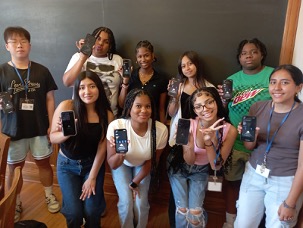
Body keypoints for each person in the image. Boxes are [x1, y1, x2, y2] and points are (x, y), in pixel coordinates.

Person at [0, 26, 60, 222]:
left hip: (38, 128)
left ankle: (49, 195)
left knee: (44, 163)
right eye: (14, 42)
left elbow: (50, 99)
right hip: (12, 130)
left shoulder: (42, 71)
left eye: (23, 41)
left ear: (30, 45)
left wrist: (52, 124)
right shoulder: (1, 71)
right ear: (7, 46)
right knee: (14, 169)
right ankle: (14, 202)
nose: (19, 45)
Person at [234, 64, 303, 227]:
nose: (277, 88)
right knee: (243, 224)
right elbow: (249, 146)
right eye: (273, 82)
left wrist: (290, 203)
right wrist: (251, 137)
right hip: (253, 174)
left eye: (285, 83)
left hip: (286, 180)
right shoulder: (257, 107)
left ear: (298, 87)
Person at [219, 38, 274, 228]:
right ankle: (230, 221)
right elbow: (224, 111)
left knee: (262, 187)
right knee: (232, 184)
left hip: (263, 145)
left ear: (262, 54)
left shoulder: (272, 75)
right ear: (239, 58)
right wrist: (223, 101)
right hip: (236, 144)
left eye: (253, 52)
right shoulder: (232, 79)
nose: (248, 56)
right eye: (244, 53)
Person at [50, 71, 114, 228]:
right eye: (82, 87)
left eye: (92, 86)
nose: (87, 92)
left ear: (99, 88)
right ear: (77, 90)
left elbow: (102, 146)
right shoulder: (66, 106)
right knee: (74, 213)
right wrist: (66, 133)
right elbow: (52, 138)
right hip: (67, 165)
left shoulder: (107, 114)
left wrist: (92, 177)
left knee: (92, 212)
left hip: (91, 165)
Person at [167, 87, 237, 227]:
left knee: (195, 214)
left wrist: (208, 142)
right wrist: (189, 143)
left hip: (202, 171)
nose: (204, 108)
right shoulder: (186, 124)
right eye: (198, 106)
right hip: (179, 168)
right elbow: (189, 160)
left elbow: (215, 165)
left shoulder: (230, 130)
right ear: (194, 110)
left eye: (209, 102)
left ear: (216, 102)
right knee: (182, 210)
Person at [106, 88, 168, 228]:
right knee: (126, 201)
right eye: (138, 106)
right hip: (121, 164)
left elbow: (153, 161)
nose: (144, 110)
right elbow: (113, 164)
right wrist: (121, 154)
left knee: (141, 202)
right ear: (129, 108)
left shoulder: (160, 130)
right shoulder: (117, 126)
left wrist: (135, 182)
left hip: (143, 165)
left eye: (148, 106)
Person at [167, 50, 214, 227]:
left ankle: (194, 221)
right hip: (179, 136)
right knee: (176, 191)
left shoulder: (208, 87)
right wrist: (175, 97)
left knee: (196, 193)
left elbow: (213, 115)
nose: (187, 68)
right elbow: (171, 113)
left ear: (197, 65)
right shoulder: (177, 84)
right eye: (183, 65)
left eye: (190, 64)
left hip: (200, 140)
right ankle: (175, 223)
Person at [63, 26, 125, 118]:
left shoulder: (117, 60)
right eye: (98, 39)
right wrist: (83, 57)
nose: (100, 43)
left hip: (108, 115)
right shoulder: (78, 57)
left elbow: (122, 89)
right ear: (91, 39)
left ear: (110, 45)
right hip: (81, 115)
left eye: (106, 41)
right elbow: (67, 82)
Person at [118, 40, 168, 124]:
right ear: (136, 59)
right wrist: (125, 82)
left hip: (151, 123)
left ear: (152, 56)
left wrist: (164, 129)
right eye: (140, 56)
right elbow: (122, 105)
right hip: (130, 122)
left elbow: (161, 109)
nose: (143, 59)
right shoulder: (131, 76)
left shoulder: (161, 79)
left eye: (146, 55)